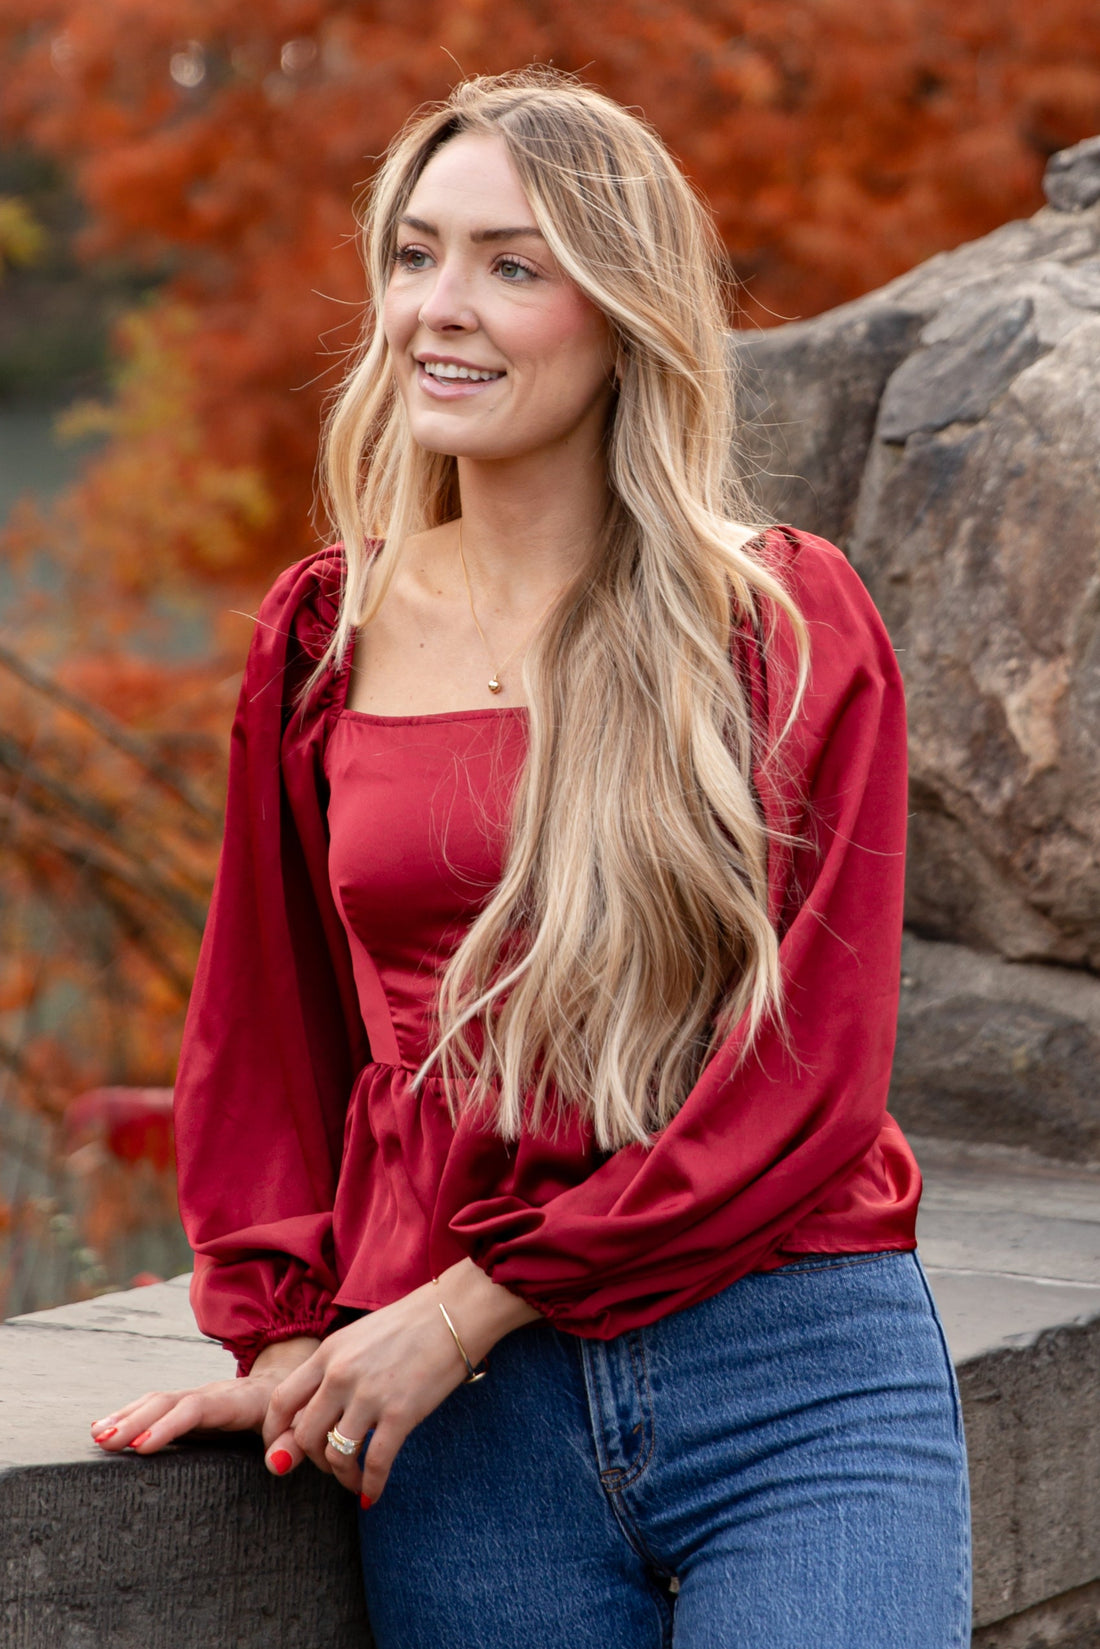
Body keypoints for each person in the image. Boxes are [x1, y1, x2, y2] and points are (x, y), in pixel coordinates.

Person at [90, 68, 971, 1648]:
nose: (442, 306)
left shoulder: (776, 620)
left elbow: (807, 1072)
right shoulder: (318, 636)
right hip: (469, 1443)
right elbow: (267, 1025)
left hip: (785, 1368)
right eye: (415, 253)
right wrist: (283, 1337)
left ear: (622, 311)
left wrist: (464, 1303)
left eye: (512, 263)